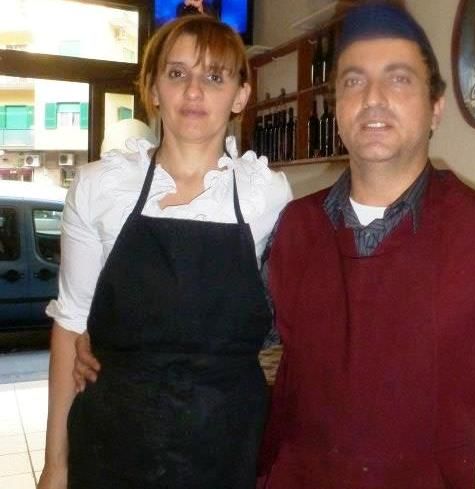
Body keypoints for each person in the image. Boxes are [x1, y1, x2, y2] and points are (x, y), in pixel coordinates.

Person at [75, 3, 475, 489]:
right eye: (352, 81)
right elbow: (228, 333)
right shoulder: (294, 228)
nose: (373, 98)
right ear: (338, 108)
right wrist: (115, 343)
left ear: (436, 106)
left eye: (399, 79)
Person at [38, 6, 291, 489]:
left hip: (228, 444)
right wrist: (55, 466)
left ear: (240, 95)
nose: (194, 91)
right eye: (177, 74)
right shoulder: (99, 188)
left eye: (214, 76)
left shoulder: (268, 195)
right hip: (112, 442)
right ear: (153, 89)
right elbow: (70, 326)